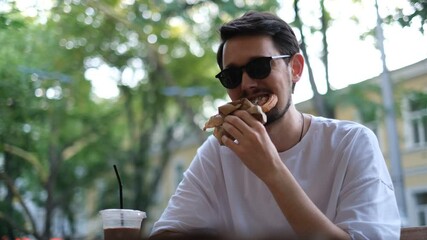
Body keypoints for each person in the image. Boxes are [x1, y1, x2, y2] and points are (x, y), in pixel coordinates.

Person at [149, 11, 401, 240]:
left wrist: (271, 169)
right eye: (232, 75)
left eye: (259, 67)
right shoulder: (219, 150)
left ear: (296, 68)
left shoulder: (351, 143)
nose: (247, 84)